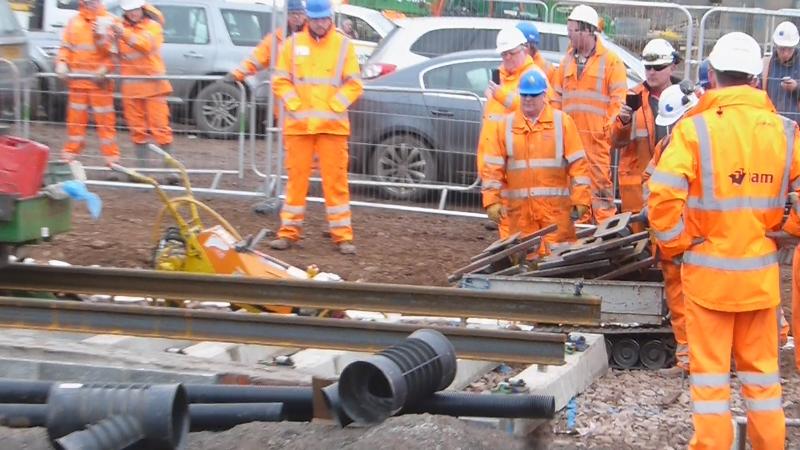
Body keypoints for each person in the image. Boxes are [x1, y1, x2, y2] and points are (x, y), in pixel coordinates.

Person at [648, 32, 799, 450]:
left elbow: (661, 197)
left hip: (708, 282)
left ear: (711, 76)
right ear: (756, 80)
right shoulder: (786, 132)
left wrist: (679, 244)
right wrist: (787, 229)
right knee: (763, 381)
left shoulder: (694, 131)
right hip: (759, 283)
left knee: (711, 383)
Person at [270, 0, 363, 255]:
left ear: (330, 18)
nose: (320, 24)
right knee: (296, 181)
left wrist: (335, 105)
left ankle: (342, 236)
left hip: (332, 128)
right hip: (299, 127)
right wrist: (295, 103)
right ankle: (288, 233)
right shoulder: (292, 44)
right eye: (315, 19)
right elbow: (279, 80)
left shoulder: (343, 45)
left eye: (324, 19)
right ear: (307, 19)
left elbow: (355, 84)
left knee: (336, 182)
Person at [481, 69, 590, 253]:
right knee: (525, 260)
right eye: (524, 95)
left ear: (544, 95)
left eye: (533, 95)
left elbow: (579, 166)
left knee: (558, 260)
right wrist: (491, 201)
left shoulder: (562, 123)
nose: (528, 99)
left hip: (555, 215)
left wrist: (581, 200)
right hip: (521, 214)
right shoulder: (505, 126)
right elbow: (492, 168)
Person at [551, 4, 627, 224]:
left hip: (596, 143)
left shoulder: (611, 62)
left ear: (586, 30)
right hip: (570, 143)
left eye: (572, 30)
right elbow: (556, 99)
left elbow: (618, 101)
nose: (568, 34)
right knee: (575, 193)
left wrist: (605, 132)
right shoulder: (566, 62)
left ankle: (604, 235)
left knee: (601, 195)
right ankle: (579, 238)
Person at [642, 83, 698, 376]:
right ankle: (688, 360)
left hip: (693, 242)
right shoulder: (666, 146)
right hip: (673, 244)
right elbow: (649, 182)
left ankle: (713, 360)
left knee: (701, 304)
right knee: (679, 304)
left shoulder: (699, 145)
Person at [477, 26, 537, 239]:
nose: (507, 58)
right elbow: (490, 125)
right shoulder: (501, 79)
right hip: (497, 165)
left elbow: (534, 109)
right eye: (504, 54)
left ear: (523, 49)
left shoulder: (532, 77)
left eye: (511, 53)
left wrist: (501, 95)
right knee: (507, 228)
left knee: (522, 226)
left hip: (517, 165)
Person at [612, 39, 680, 225]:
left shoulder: (685, 99)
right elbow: (615, 141)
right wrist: (623, 121)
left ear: (672, 67)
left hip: (672, 185)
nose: (651, 72)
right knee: (639, 248)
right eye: (648, 67)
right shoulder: (632, 96)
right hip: (637, 191)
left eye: (657, 68)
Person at [113, 0, 174, 179]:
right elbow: (114, 52)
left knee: (160, 128)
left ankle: (169, 171)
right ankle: (143, 172)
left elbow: (145, 45)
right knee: (138, 131)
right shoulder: (119, 28)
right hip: (132, 90)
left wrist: (122, 33)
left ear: (142, 9)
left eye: (136, 9)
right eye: (129, 10)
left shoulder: (153, 27)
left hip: (154, 87)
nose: (133, 13)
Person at [54, 0, 119, 167]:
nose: (90, 3)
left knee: (105, 121)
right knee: (75, 121)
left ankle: (111, 158)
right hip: (78, 82)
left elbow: (114, 53)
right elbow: (65, 47)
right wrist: (61, 62)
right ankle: (71, 151)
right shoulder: (74, 22)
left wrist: (105, 69)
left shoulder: (110, 20)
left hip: (99, 83)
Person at [228, 0, 307, 83]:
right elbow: (256, 59)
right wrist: (235, 74)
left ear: (305, 15)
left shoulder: (313, 36)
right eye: (293, 13)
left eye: (301, 13)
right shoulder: (276, 38)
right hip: (283, 88)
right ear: (286, 15)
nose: (297, 17)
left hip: (308, 90)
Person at [761, 21, 800, 123]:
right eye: (782, 49)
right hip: (770, 122)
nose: (786, 53)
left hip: (796, 126)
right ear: (776, 45)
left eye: (790, 49)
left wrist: (797, 87)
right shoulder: (766, 63)